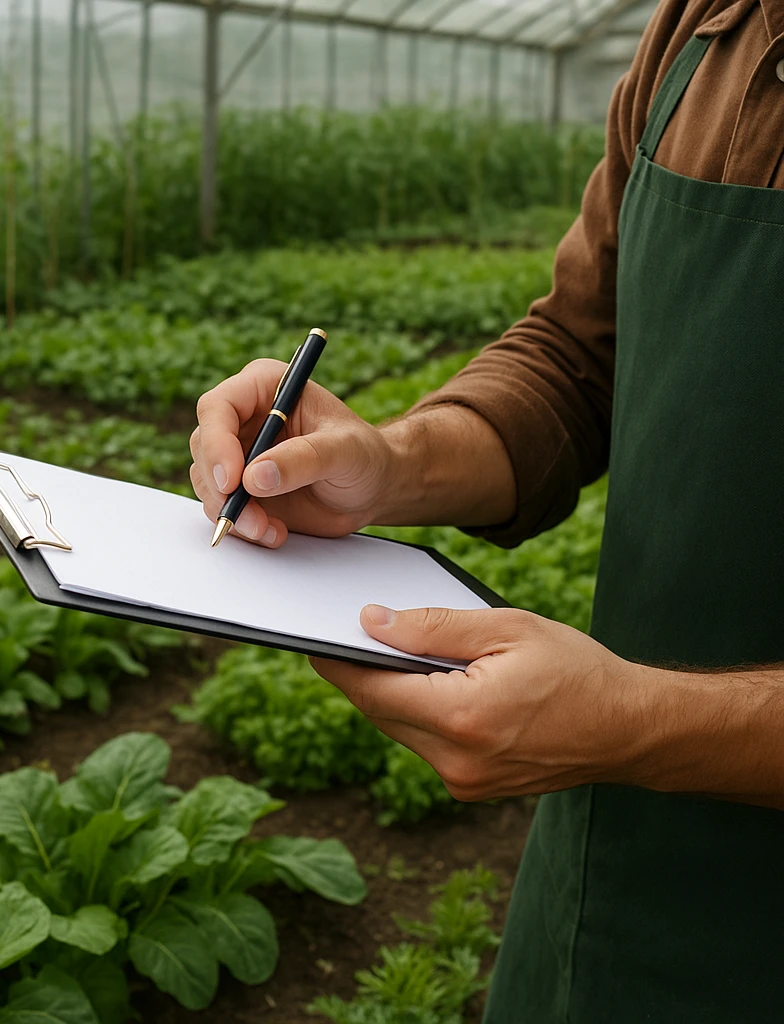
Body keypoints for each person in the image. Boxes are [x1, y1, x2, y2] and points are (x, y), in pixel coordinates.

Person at [190, 0, 784, 1019]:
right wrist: (392, 461)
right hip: (605, 887)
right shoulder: (701, 27)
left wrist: (638, 721)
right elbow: (579, 356)